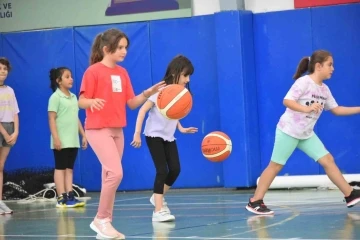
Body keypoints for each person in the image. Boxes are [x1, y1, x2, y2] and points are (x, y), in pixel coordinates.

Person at [246, 50, 360, 215]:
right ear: (318, 66)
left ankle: (349, 194)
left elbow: (336, 110)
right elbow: (287, 101)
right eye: (330, 65)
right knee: (276, 165)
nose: (333, 68)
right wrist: (306, 108)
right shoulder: (303, 83)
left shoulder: (325, 90)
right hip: (289, 131)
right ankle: (255, 201)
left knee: (328, 160)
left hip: (306, 134)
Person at [78, 28, 165, 239]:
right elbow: (80, 101)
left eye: (126, 47)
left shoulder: (122, 73)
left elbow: (132, 103)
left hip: (118, 130)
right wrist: (92, 102)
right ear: (107, 49)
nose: (124, 51)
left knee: (108, 175)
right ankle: (101, 219)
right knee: (116, 173)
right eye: (120, 47)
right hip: (97, 129)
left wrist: (148, 93)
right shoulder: (93, 71)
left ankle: (105, 225)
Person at [131, 55, 198, 222]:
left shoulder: (180, 93)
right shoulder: (160, 90)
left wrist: (181, 128)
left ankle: (157, 196)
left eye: (189, 76)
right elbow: (142, 111)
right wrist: (137, 133)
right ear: (175, 72)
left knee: (175, 169)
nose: (187, 79)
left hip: (168, 136)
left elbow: (173, 114)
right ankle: (158, 211)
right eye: (185, 75)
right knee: (162, 170)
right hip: (153, 135)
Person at [48, 67, 87, 208]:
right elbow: (51, 119)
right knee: (60, 168)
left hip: (73, 140)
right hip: (61, 140)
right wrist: (56, 138)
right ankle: (61, 197)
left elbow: (75, 118)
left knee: (69, 169)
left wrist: (83, 135)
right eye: (67, 76)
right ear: (59, 81)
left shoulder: (73, 97)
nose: (71, 79)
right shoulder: (55, 97)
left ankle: (70, 195)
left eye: (71, 76)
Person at [0, 57, 19, 215]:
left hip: (9, 127)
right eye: (0, 68)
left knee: (1, 167)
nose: (2, 71)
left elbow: (15, 112)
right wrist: (5, 134)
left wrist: (15, 131)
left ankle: (0, 202)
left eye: (5, 69)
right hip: (1, 129)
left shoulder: (10, 90)